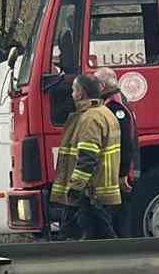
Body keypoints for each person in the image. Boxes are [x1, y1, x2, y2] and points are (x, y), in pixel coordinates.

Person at [49, 74, 124, 240]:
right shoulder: (105, 113)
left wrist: (75, 188)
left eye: (73, 90)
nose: (71, 94)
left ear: (81, 93)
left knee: (77, 237)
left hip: (89, 192)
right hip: (98, 190)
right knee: (101, 238)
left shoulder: (90, 119)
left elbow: (87, 158)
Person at [93, 67, 140, 198]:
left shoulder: (115, 106)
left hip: (119, 174)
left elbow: (125, 142)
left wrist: (122, 174)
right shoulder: (116, 101)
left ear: (102, 86)